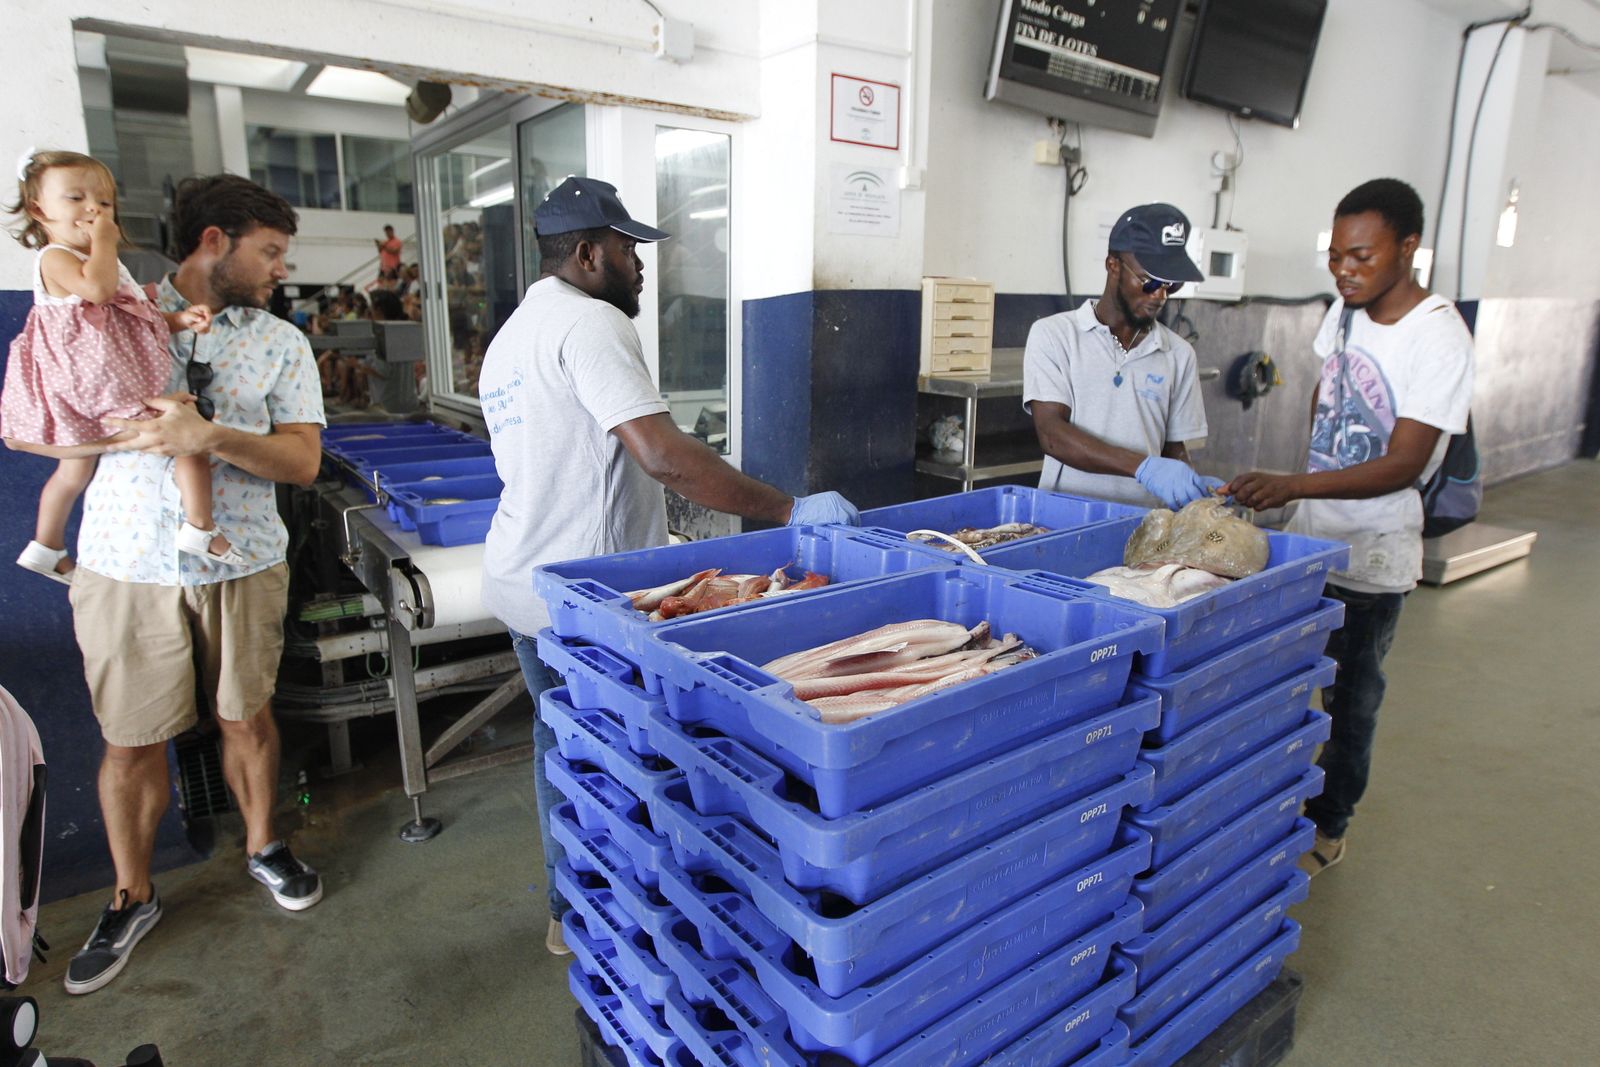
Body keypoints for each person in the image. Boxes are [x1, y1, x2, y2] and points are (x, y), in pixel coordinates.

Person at [477, 176, 859, 956]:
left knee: (565, 744)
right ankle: (636, 907)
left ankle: (570, 905)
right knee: (630, 755)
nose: (640, 264)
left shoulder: (513, 334)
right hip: (583, 600)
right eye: (627, 248)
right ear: (586, 253)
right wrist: (788, 508)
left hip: (523, 579)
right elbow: (663, 457)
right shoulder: (589, 324)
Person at [10, 173, 328, 994]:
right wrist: (123, 433)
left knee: (248, 717)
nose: (279, 270)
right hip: (125, 560)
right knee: (129, 738)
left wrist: (207, 434)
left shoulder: (281, 343)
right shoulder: (109, 299)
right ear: (214, 242)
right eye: (270, 252)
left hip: (244, 557)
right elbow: (34, 435)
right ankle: (132, 892)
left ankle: (262, 844)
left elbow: (301, 460)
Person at [1225, 178, 1474, 877]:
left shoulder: (1439, 337)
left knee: (1349, 701)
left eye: (1360, 255)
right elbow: (1327, 391)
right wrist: (1300, 486)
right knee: (1279, 684)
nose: (1345, 269)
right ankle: (1270, 802)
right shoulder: (1344, 311)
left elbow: (1404, 462)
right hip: (1310, 547)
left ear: (1408, 247)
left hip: (1374, 556)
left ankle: (1328, 823)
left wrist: (1296, 481)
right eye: (1335, 256)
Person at [2, 149, 243, 584]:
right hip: (94, 384)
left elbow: (131, 320)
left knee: (74, 468)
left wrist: (177, 320)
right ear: (39, 210)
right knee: (186, 434)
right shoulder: (57, 258)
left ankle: (46, 546)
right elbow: (96, 292)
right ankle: (200, 527)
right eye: (76, 198)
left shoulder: (102, 265)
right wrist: (106, 240)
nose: (93, 209)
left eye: (105, 202)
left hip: (101, 381)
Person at [1024, 203, 1221, 510]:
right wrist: (1143, 467)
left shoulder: (1179, 354)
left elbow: (1173, 451)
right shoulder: (1055, 336)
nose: (1159, 296)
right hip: (1063, 518)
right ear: (1113, 264)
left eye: (1169, 284)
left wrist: (1196, 492)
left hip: (1143, 527)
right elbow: (1052, 435)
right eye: (1149, 281)